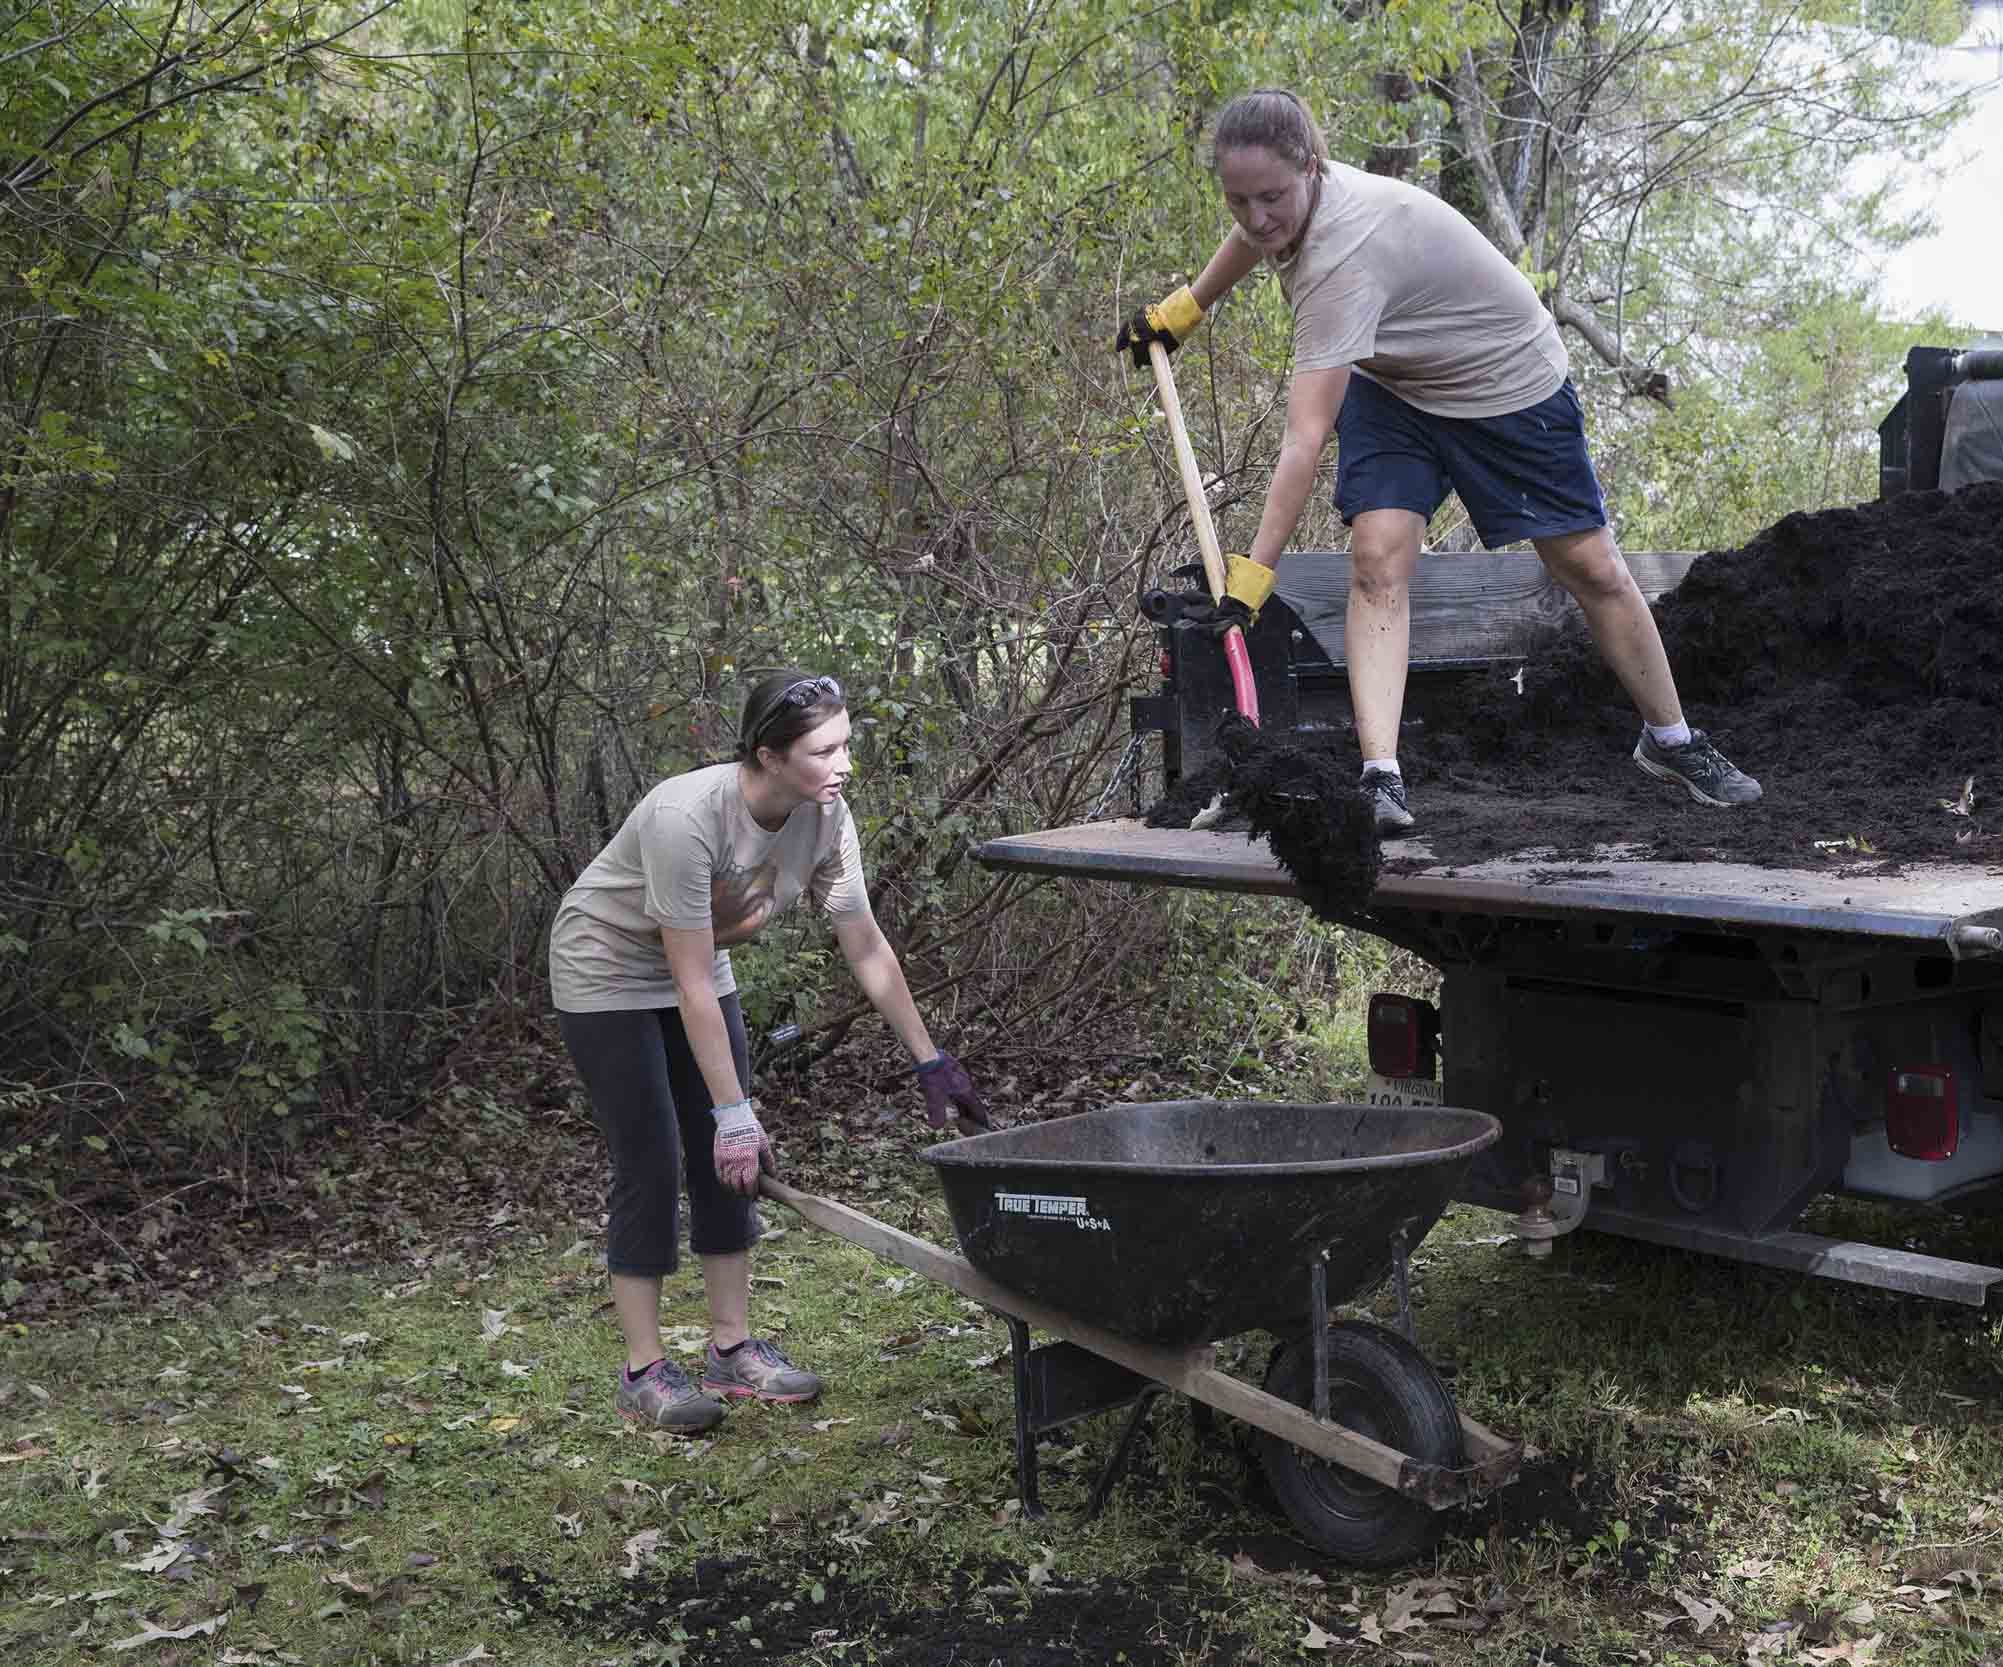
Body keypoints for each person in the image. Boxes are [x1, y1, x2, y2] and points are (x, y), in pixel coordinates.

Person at [1115, 88, 1762, 831]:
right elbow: (1259, 240)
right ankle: (1381, 776)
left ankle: (1672, 739)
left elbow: (1305, 438)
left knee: (1588, 566)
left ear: (1313, 170)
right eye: (1238, 201)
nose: (1257, 218)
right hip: (1401, 386)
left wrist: (1253, 577)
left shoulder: (1342, 261)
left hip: (1508, 384)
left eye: (1271, 197)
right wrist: (1185, 308)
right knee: (1377, 558)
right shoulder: (1289, 206)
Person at [548, 671, 990, 1434]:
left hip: (692, 962)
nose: (845, 762)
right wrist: (732, 1109)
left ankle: (730, 1348)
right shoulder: (690, 816)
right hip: (608, 968)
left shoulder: (827, 816)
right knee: (653, 1157)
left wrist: (928, 1056)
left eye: (846, 743)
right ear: (768, 754)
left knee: (733, 1163)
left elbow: (867, 944)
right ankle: (644, 1369)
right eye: (825, 749)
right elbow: (687, 982)